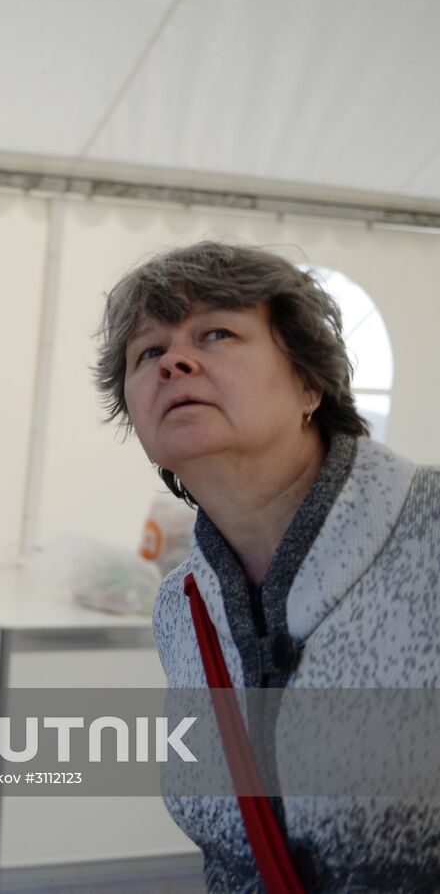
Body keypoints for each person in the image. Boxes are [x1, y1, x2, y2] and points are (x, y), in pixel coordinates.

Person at [95, 241, 440, 890]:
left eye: (216, 332)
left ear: (311, 383)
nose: (174, 360)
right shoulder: (181, 608)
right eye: (148, 353)